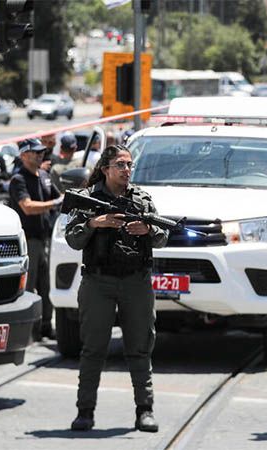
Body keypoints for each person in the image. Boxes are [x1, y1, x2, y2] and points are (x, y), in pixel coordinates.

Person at [64, 144, 168, 432]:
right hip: (99, 281)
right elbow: (72, 238)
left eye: (129, 165)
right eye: (120, 165)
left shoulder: (141, 199)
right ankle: (85, 411)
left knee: (140, 348)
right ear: (106, 168)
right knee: (93, 349)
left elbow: (162, 237)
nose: (126, 170)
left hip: (136, 281)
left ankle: (144, 410)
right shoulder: (87, 199)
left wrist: (148, 230)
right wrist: (95, 223)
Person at [8, 139, 61, 341]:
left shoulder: (45, 176)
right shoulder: (18, 179)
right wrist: (55, 202)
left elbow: (61, 197)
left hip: (46, 239)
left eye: (41, 152)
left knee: (47, 285)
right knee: (29, 287)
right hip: (29, 241)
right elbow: (27, 207)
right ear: (24, 156)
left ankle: (46, 327)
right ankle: (28, 331)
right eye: (36, 152)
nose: (41, 155)